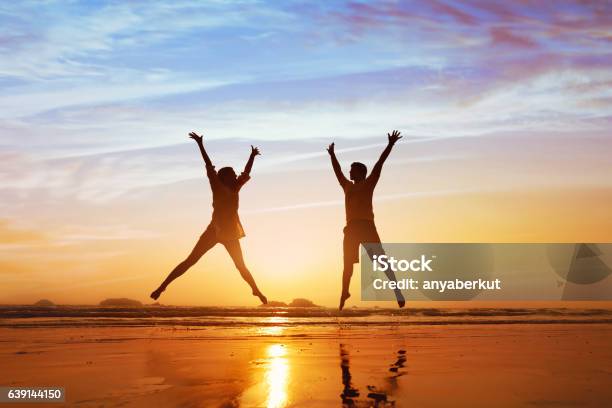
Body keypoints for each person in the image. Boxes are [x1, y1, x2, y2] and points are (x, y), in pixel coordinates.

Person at [150, 131, 267, 304]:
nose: (236, 175)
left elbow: (246, 172)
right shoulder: (217, 186)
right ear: (224, 177)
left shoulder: (236, 187)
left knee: (240, 265)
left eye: (235, 174)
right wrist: (200, 144)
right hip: (214, 231)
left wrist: (252, 156)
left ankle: (256, 291)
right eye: (232, 173)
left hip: (230, 234)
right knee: (190, 260)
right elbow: (208, 165)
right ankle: (162, 286)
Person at [327, 130, 405, 310]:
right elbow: (337, 171)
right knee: (347, 265)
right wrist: (332, 155)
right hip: (351, 229)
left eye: (352, 170)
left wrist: (390, 145)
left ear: (360, 172)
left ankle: (396, 290)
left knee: (381, 261)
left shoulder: (369, 183)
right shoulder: (347, 186)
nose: (349, 172)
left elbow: (379, 163)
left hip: (367, 227)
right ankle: (344, 292)